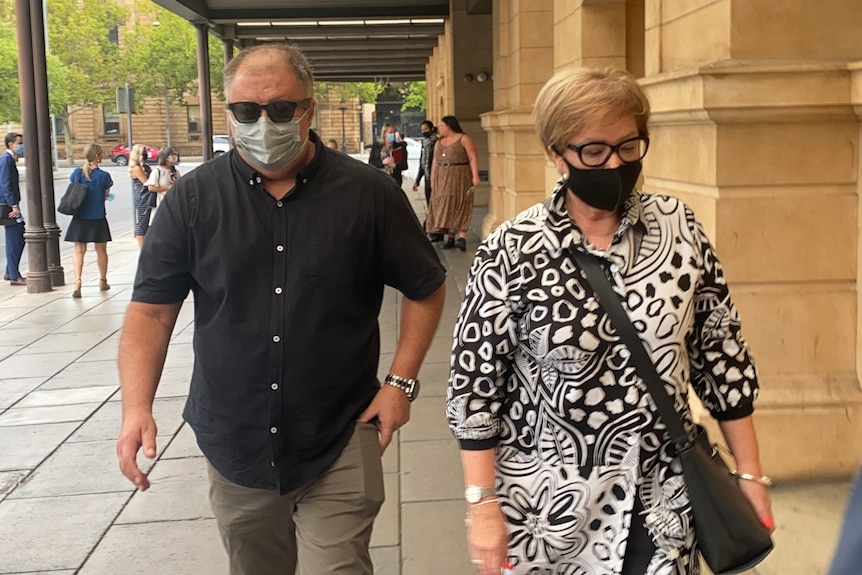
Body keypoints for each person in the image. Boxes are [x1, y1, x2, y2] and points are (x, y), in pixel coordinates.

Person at [115, 43, 446, 575]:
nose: (262, 121)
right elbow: (151, 312)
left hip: (342, 427)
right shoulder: (192, 199)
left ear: (308, 108)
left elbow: (426, 287)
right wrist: (136, 407)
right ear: (229, 113)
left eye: (280, 108)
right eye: (247, 110)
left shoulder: (369, 194)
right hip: (234, 436)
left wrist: (400, 384)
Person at [446, 67, 774, 575]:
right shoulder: (511, 250)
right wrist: (482, 505)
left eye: (628, 146)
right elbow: (475, 390)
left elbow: (721, 357)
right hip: (549, 511)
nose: (615, 163)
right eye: (593, 151)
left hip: (666, 498)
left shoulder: (679, 228)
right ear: (558, 155)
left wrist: (750, 475)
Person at [65, 143, 113, 298]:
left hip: (80, 217)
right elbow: (106, 195)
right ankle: (102, 280)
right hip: (98, 216)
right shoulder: (104, 176)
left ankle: (78, 281)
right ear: (97, 156)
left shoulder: (77, 173)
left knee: (79, 251)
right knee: (101, 251)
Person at [426, 115, 480, 252]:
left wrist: (475, 176)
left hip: (460, 174)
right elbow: (435, 162)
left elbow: (472, 157)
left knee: (460, 202)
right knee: (446, 204)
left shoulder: (463, 139)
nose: (439, 128)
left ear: (449, 126)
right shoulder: (439, 142)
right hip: (443, 175)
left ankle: (461, 237)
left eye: (442, 125)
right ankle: (450, 236)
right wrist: (432, 179)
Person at [0, 133, 25, 286]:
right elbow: (5, 183)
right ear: (11, 144)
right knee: (16, 236)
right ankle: (14, 275)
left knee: (15, 235)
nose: (21, 145)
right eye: (19, 142)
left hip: (9, 203)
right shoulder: (6, 159)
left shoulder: (8, 159)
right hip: (8, 205)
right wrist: (13, 205)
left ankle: (10, 271)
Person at [412, 120, 441, 242]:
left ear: (431, 128)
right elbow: (422, 163)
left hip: (435, 178)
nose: (424, 131)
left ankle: (434, 230)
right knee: (430, 205)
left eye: (426, 129)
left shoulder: (437, 142)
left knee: (436, 205)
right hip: (428, 178)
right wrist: (417, 180)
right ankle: (431, 228)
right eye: (422, 129)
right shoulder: (425, 142)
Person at [129, 144, 153, 248]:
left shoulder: (146, 167)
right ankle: (142, 247)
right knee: (142, 221)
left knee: (149, 220)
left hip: (148, 195)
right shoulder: (136, 168)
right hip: (142, 196)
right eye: (143, 152)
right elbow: (146, 182)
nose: (146, 154)